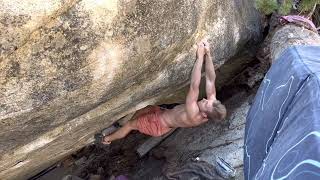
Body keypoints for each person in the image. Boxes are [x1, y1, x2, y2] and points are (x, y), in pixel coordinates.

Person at [103, 39, 226, 144]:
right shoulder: (211, 106)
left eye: (205, 103)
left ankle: (106, 139)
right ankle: (122, 126)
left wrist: (200, 58)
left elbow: (194, 85)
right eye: (208, 100)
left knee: (130, 125)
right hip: (162, 113)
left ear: (204, 115)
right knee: (146, 108)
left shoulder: (194, 114)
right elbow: (210, 79)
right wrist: (208, 54)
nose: (204, 99)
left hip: (157, 124)